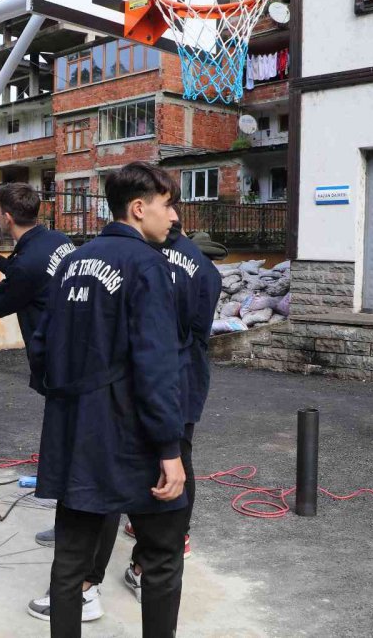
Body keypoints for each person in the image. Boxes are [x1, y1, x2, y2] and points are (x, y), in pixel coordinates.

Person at [29, 162, 189, 637]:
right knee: (161, 553)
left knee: (71, 557)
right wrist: (169, 448)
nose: (174, 217)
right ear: (139, 209)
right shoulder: (148, 266)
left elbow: (40, 346)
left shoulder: (71, 261)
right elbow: (157, 364)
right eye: (167, 205)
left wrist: (68, 399)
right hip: (129, 433)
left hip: (73, 430)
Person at [122, 217, 222, 600]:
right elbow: (201, 329)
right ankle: (173, 541)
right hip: (188, 375)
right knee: (181, 455)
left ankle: (151, 556)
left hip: (158, 374)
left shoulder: (146, 261)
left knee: (162, 460)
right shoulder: (203, 267)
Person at [0, 182, 76, 385]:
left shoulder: (26, 264)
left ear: (7, 218)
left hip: (56, 361)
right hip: (76, 347)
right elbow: (36, 276)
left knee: (60, 415)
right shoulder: (59, 239)